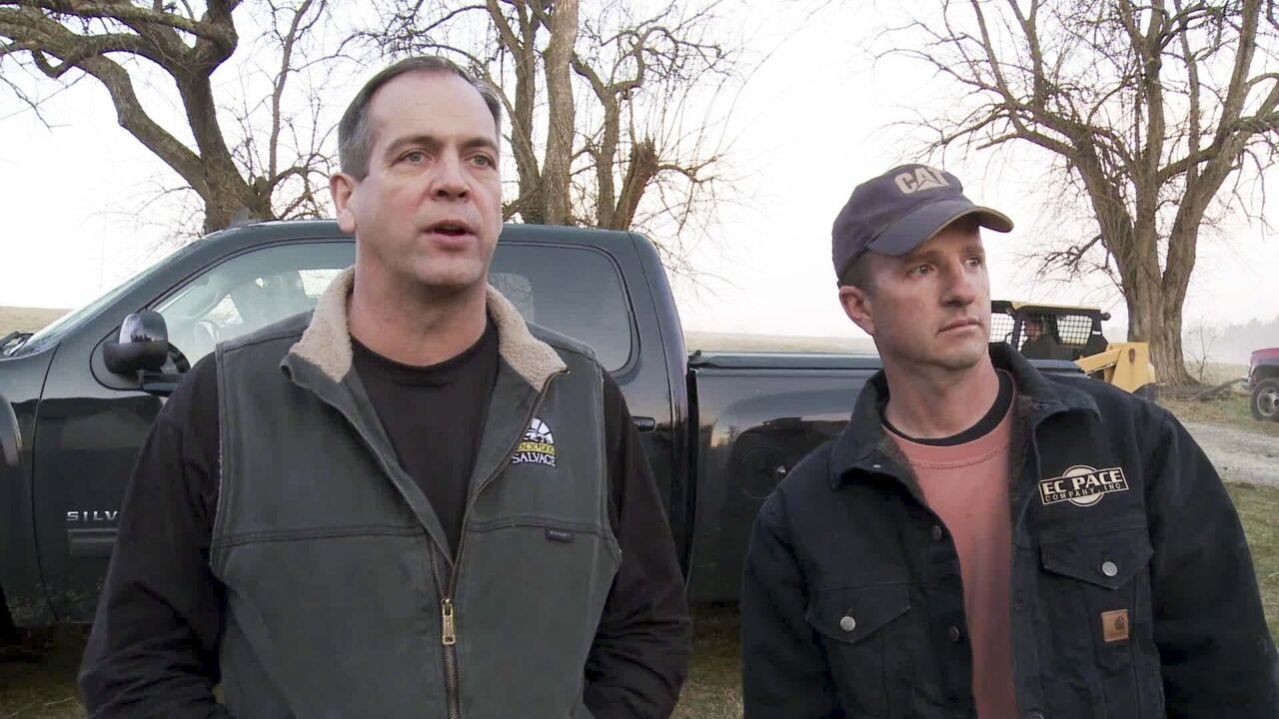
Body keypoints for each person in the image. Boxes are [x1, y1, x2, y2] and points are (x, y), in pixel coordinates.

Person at [80, 56, 691, 718]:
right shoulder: (225, 403)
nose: (454, 181)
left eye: (480, 159)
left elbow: (648, 631)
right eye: (414, 156)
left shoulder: (580, 398)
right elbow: (136, 664)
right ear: (347, 198)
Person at [740, 163, 1278, 718]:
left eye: (973, 261)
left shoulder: (1134, 444)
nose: (962, 290)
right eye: (923, 268)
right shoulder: (804, 519)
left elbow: (1231, 674)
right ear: (860, 306)